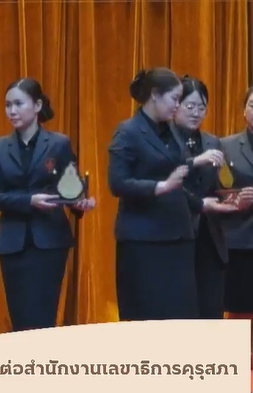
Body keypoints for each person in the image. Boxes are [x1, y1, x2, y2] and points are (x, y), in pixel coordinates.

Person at [0, 78, 96, 332]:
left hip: (50, 241)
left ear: (37, 106)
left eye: (18, 104)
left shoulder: (59, 143)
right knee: (20, 318)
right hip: (13, 243)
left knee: (44, 316)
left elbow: (70, 188)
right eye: (8, 105)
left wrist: (80, 202)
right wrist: (29, 201)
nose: (12, 111)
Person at [108, 67, 199, 320]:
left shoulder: (172, 129)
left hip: (178, 235)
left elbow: (176, 168)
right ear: (155, 95)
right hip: (144, 239)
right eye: (174, 99)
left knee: (180, 313)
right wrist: (160, 187)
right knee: (146, 313)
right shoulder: (128, 131)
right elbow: (118, 183)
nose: (178, 106)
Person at [171, 75, 239, 319]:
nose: (196, 113)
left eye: (201, 107)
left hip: (210, 237)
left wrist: (231, 197)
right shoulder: (164, 141)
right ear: (175, 106)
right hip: (175, 234)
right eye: (190, 106)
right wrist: (200, 204)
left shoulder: (213, 142)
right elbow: (166, 181)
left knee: (210, 309)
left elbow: (221, 183)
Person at [219, 85, 253, 367]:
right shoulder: (225, 146)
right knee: (241, 306)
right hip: (240, 238)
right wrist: (237, 198)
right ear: (243, 111)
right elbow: (214, 191)